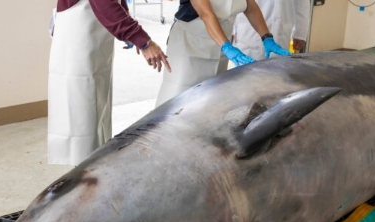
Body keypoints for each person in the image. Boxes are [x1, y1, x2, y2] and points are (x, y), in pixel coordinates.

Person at [47, 0, 172, 166]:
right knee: (81, 107)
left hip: (91, 32)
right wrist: (142, 40)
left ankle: (91, 164)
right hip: (78, 35)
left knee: (95, 102)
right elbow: (104, 3)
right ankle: (83, 172)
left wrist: (127, 20)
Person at [155, 0, 291, 106]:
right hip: (190, 44)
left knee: (209, 100)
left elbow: (251, 7)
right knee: (177, 99)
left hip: (219, 44)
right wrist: (227, 47)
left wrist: (266, 37)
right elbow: (206, 13)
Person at [233, 0, 311, 60]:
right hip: (249, 30)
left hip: (281, 28)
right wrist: (231, 31)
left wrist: (300, 32)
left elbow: (302, 2)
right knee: (245, 74)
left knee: (277, 74)